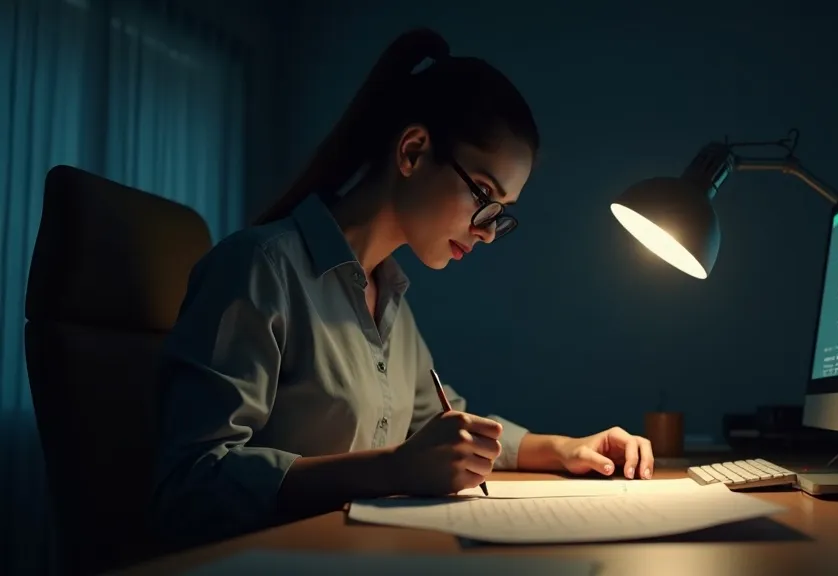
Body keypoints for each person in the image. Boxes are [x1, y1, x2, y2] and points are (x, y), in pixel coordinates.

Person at [151, 28, 654, 551]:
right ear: (413, 152)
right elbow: (190, 486)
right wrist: (393, 469)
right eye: (484, 193)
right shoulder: (258, 269)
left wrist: (566, 448)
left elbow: (443, 425)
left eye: (501, 212)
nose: (487, 230)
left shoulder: (389, 298)